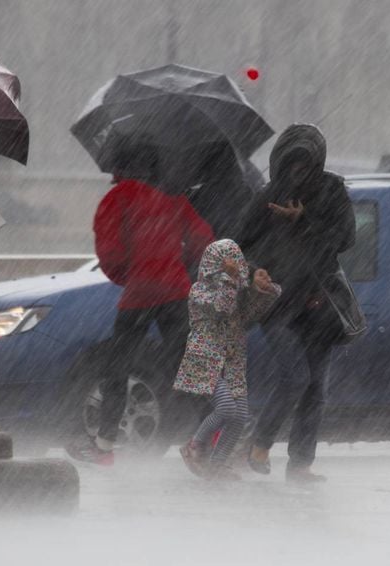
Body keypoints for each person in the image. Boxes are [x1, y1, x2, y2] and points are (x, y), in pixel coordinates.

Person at [66, 144, 215, 466]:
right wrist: (177, 263)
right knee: (186, 365)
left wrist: (131, 274)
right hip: (176, 291)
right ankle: (214, 434)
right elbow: (203, 239)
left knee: (117, 368)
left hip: (139, 294)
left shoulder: (117, 198)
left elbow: (110, 253)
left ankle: (104, 446)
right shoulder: (173, 197)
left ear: (122, 166)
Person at [237, 124, 355, 483]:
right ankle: (259, 444)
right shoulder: (267, 197)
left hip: (318, 302)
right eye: (291, 165)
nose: (298, 173)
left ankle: (301, 463)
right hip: (276, 304)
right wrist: (254, 271)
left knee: (316, 387)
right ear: (280, 163)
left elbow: (345, 238)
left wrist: (304, 221)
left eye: (305, 165)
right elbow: (239, 245)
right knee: (295, 377)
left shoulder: (332, 190)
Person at [174, 239, 280, 480]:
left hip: (232, 362)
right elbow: (220, 308)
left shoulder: (236, 292)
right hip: (205, 358)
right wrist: (229, 280)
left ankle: (218, 463)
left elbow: (250, 314)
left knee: (239, 416)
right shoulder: (199, 291)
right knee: (225, 407)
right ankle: (193, 446)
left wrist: (262, 290)